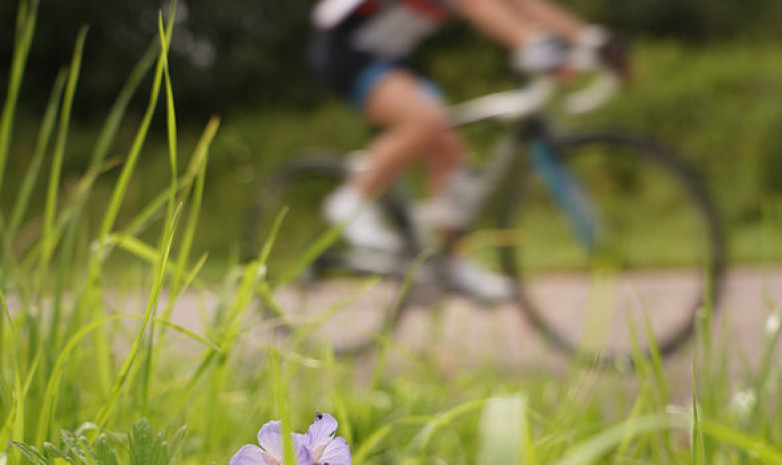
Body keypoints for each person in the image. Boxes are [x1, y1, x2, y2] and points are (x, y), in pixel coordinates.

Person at [308, 0, 611, 301]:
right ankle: (350, 201)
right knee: (425, 120)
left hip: (391, 59)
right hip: (347, 53)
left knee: (450, 153)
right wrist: (535, 45)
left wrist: (593, 40)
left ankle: (452, 264)